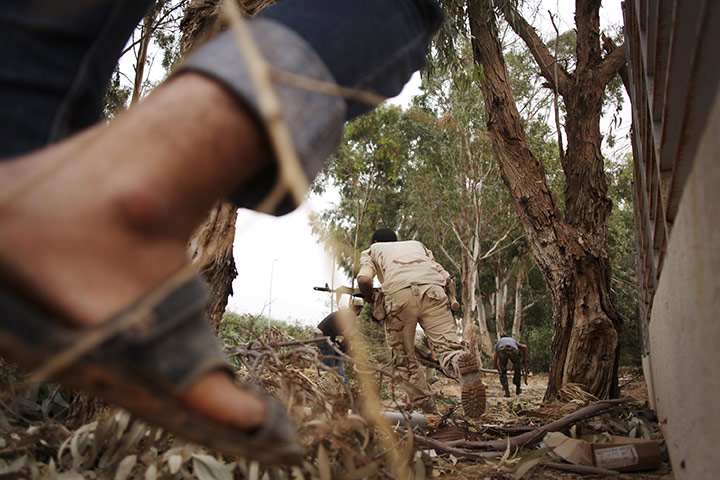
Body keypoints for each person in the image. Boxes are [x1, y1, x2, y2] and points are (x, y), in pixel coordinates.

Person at [0, 0, 443, 463]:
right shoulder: (414, 249)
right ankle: (135, 204)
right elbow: (389, 288)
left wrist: (366, 298)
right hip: (423, 300)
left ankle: (20, 155)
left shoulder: (377, 253)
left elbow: (368, 285)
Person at [357, 228, 486, 417]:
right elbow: (444, 274)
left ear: (375, 241)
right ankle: (460, 363)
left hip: (399, 296)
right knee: (449, 348)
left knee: (406, 363)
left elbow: (364, 279)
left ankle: (431, 413)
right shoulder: (417, 246)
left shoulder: (372, 250)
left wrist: (370, 298)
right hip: (434, 291)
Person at [315, 297, 363, 382]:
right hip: (323, 337)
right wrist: (347, 347)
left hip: (325, 337)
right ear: (360, 309)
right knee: (329, 366)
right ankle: (319, 382)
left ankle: (344, 385)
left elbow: (341, 331)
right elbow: (346, 334)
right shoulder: (351, 315)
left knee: (338, 361)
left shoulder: (346, 313)